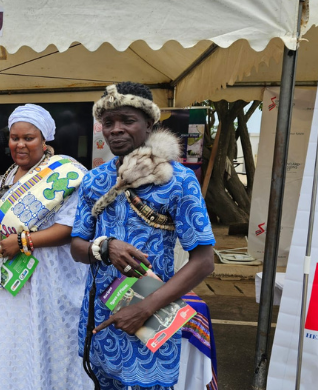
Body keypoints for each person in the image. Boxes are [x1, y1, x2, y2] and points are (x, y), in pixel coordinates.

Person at [70, 82, 216, 389]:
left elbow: (204, 261)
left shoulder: (178, 181)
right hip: (101, 322)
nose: (116, 129)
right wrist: (104, 247)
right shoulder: (95, 180)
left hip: (150, 319)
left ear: (149, 123)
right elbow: (76, 247)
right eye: (108, 122)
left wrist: (145, 307)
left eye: (127, 120)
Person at [0, 104, 92, 390]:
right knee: (7, 346)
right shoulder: (10, 173)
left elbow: (70, 225)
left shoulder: (64, 172)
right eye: (15, 138)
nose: (20, 144)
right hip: (4, 285)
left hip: (43, 283)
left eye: (29, 138)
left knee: (38, 344)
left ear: (44, 139)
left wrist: (24, 241)